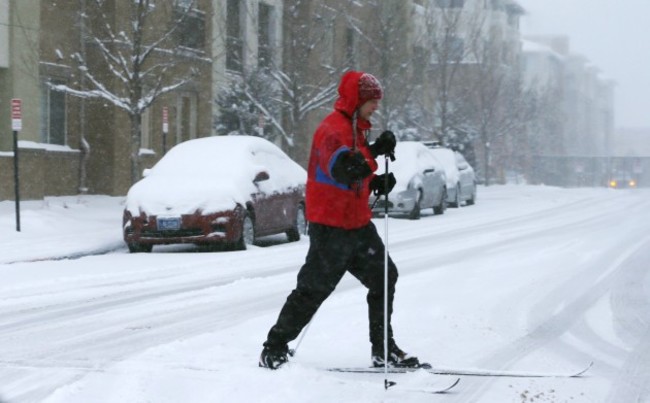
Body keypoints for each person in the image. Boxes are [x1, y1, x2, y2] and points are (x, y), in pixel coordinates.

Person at [259, 71, 421, 370]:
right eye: (371, 101)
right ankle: (274, 348)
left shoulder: (356, 130)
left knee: (385, 277)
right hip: (331, 227)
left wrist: (375, 182)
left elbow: (356, 175)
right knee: (313, 289)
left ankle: (383, 349)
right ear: (355, 100)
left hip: (357, 224)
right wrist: (374, 154)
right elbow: (345, 169)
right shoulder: (332, 130)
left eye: (376, 101)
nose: (375, 107)